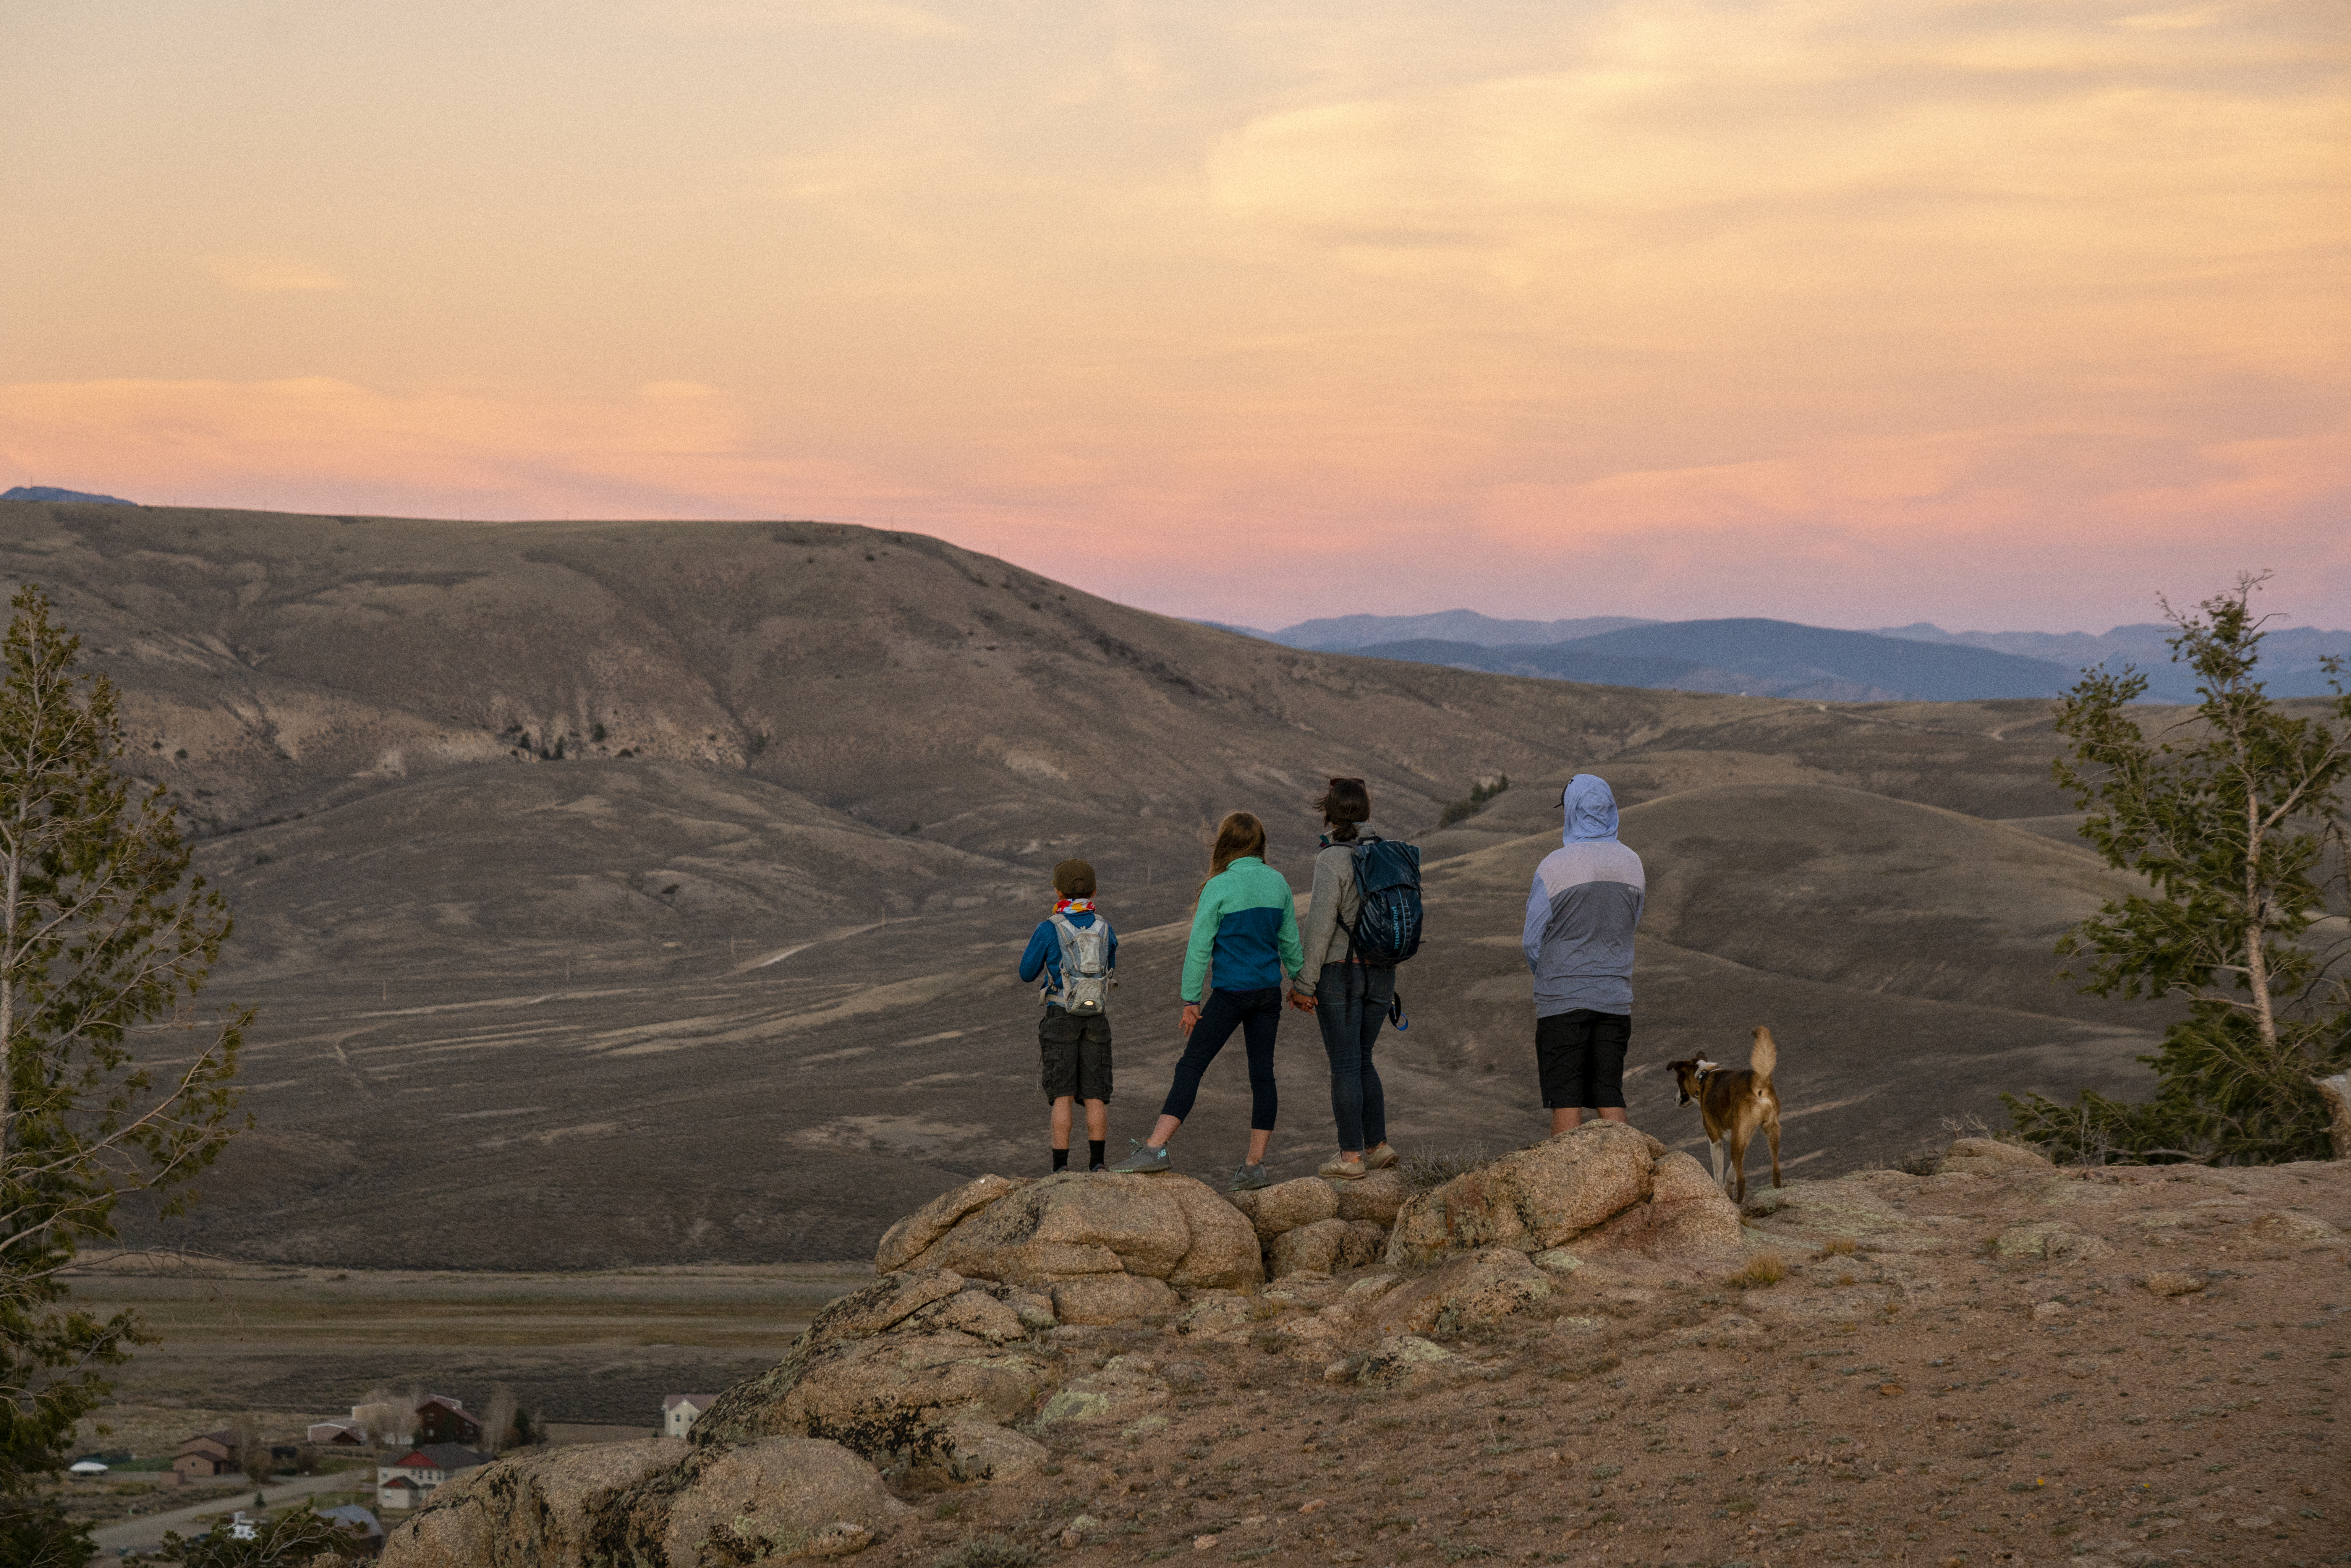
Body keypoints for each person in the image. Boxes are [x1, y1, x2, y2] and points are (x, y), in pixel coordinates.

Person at [1107, 811, 1310, 1188]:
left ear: (1226, 845)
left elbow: (1199, 950)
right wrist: (1302, 986)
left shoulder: (1218, 886)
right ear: (1260, 844)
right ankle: (1254, 1166)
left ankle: (1155, 1149)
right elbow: (1290, 945)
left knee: (1191, 1067)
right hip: (1267, 994)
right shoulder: (1278, 882)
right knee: (1262, 1076)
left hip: (1231, 995)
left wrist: (1190, 1001)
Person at [1523, 774, 1645, 1135]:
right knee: (1609, 1092)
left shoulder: (1554, 866)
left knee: (1566, 1097)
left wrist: (1551, 976)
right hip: (1614, 996)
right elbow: (1629, 925)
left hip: (1562, 999)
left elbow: (1532, 941)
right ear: (1610, 810)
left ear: (1571, 813)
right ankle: (1632, 1174)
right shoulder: (1632, 864)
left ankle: (1565, 1187)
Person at [1293, 777, 1400, 1180]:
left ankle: (1351, 1157)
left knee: (1344, 1065)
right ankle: (1378, 1146)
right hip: (1383, 974)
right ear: (1367, 811)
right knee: (1364, 1060)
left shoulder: (1333, 859)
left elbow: (1320, 927)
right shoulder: (1390, 853)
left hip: (1341, 974)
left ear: (1330, 813)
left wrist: (1304, 985)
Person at [1018, 858, 1118, 1172]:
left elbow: (1026, 973)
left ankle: (1060, 1168)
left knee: (1062, 1095)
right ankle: (1098, 1165)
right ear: (1095, 891)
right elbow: (1110, 965)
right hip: (1096, 1017)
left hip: (1060, 1015)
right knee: (1095, 1096)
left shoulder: (1049, 929)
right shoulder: (1105, 928)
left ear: (1058, 892)